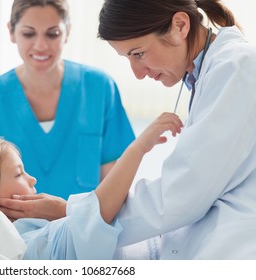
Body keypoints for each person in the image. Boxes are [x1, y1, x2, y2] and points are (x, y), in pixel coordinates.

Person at [97, 0, 256, 259]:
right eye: (128, 58)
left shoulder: (236, 67)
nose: (137, 73)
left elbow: (184, 193)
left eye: (138, 53)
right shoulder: (209, 72)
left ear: (180, 26)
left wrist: (89, 216)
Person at [0, 0, 135, 221]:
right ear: (11, 32)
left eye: (52, 34)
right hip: (13, 239)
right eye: (28, 34)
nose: (41, 45)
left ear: (67, 32)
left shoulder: (99, 88)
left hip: (86, 233)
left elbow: (116, 186)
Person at [0, 113, 183, 259]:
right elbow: (97, 214)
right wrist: (138, 149)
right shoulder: (21, 246)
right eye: (19, 173)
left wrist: (62, 210)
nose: (32, 179)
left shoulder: (34, 230)